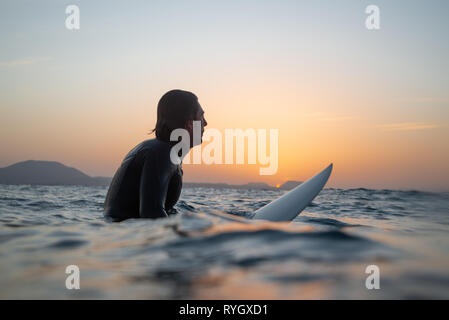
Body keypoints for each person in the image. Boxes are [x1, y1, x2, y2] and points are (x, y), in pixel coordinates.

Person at [104, 89, 207, 221]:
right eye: (201, 117)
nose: (205, 123)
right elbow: (151, 213)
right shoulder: (162, 154)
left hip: (120, 231)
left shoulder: (156, 149)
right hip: (129, 235)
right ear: (189, 124)